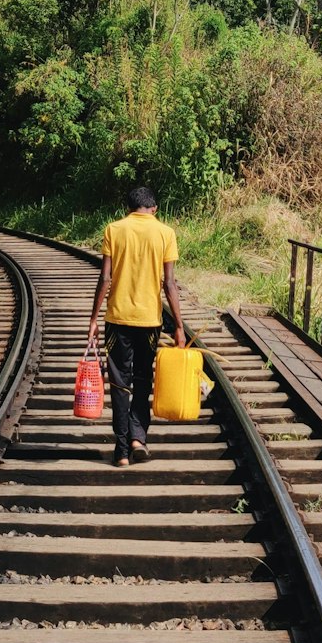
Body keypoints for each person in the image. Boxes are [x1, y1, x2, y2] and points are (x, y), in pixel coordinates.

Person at [87, 184, 187, 468]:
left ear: (128, 208)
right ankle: (138, 439)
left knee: (119, 385)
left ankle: (120, 452)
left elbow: (105, 278)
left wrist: (94, 319)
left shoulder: (114, 229)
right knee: (143, 380)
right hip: (150, 322)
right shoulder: (165, 233)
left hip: (117, 320)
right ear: (154, 208)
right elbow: (169, 284)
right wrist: (178, 325)